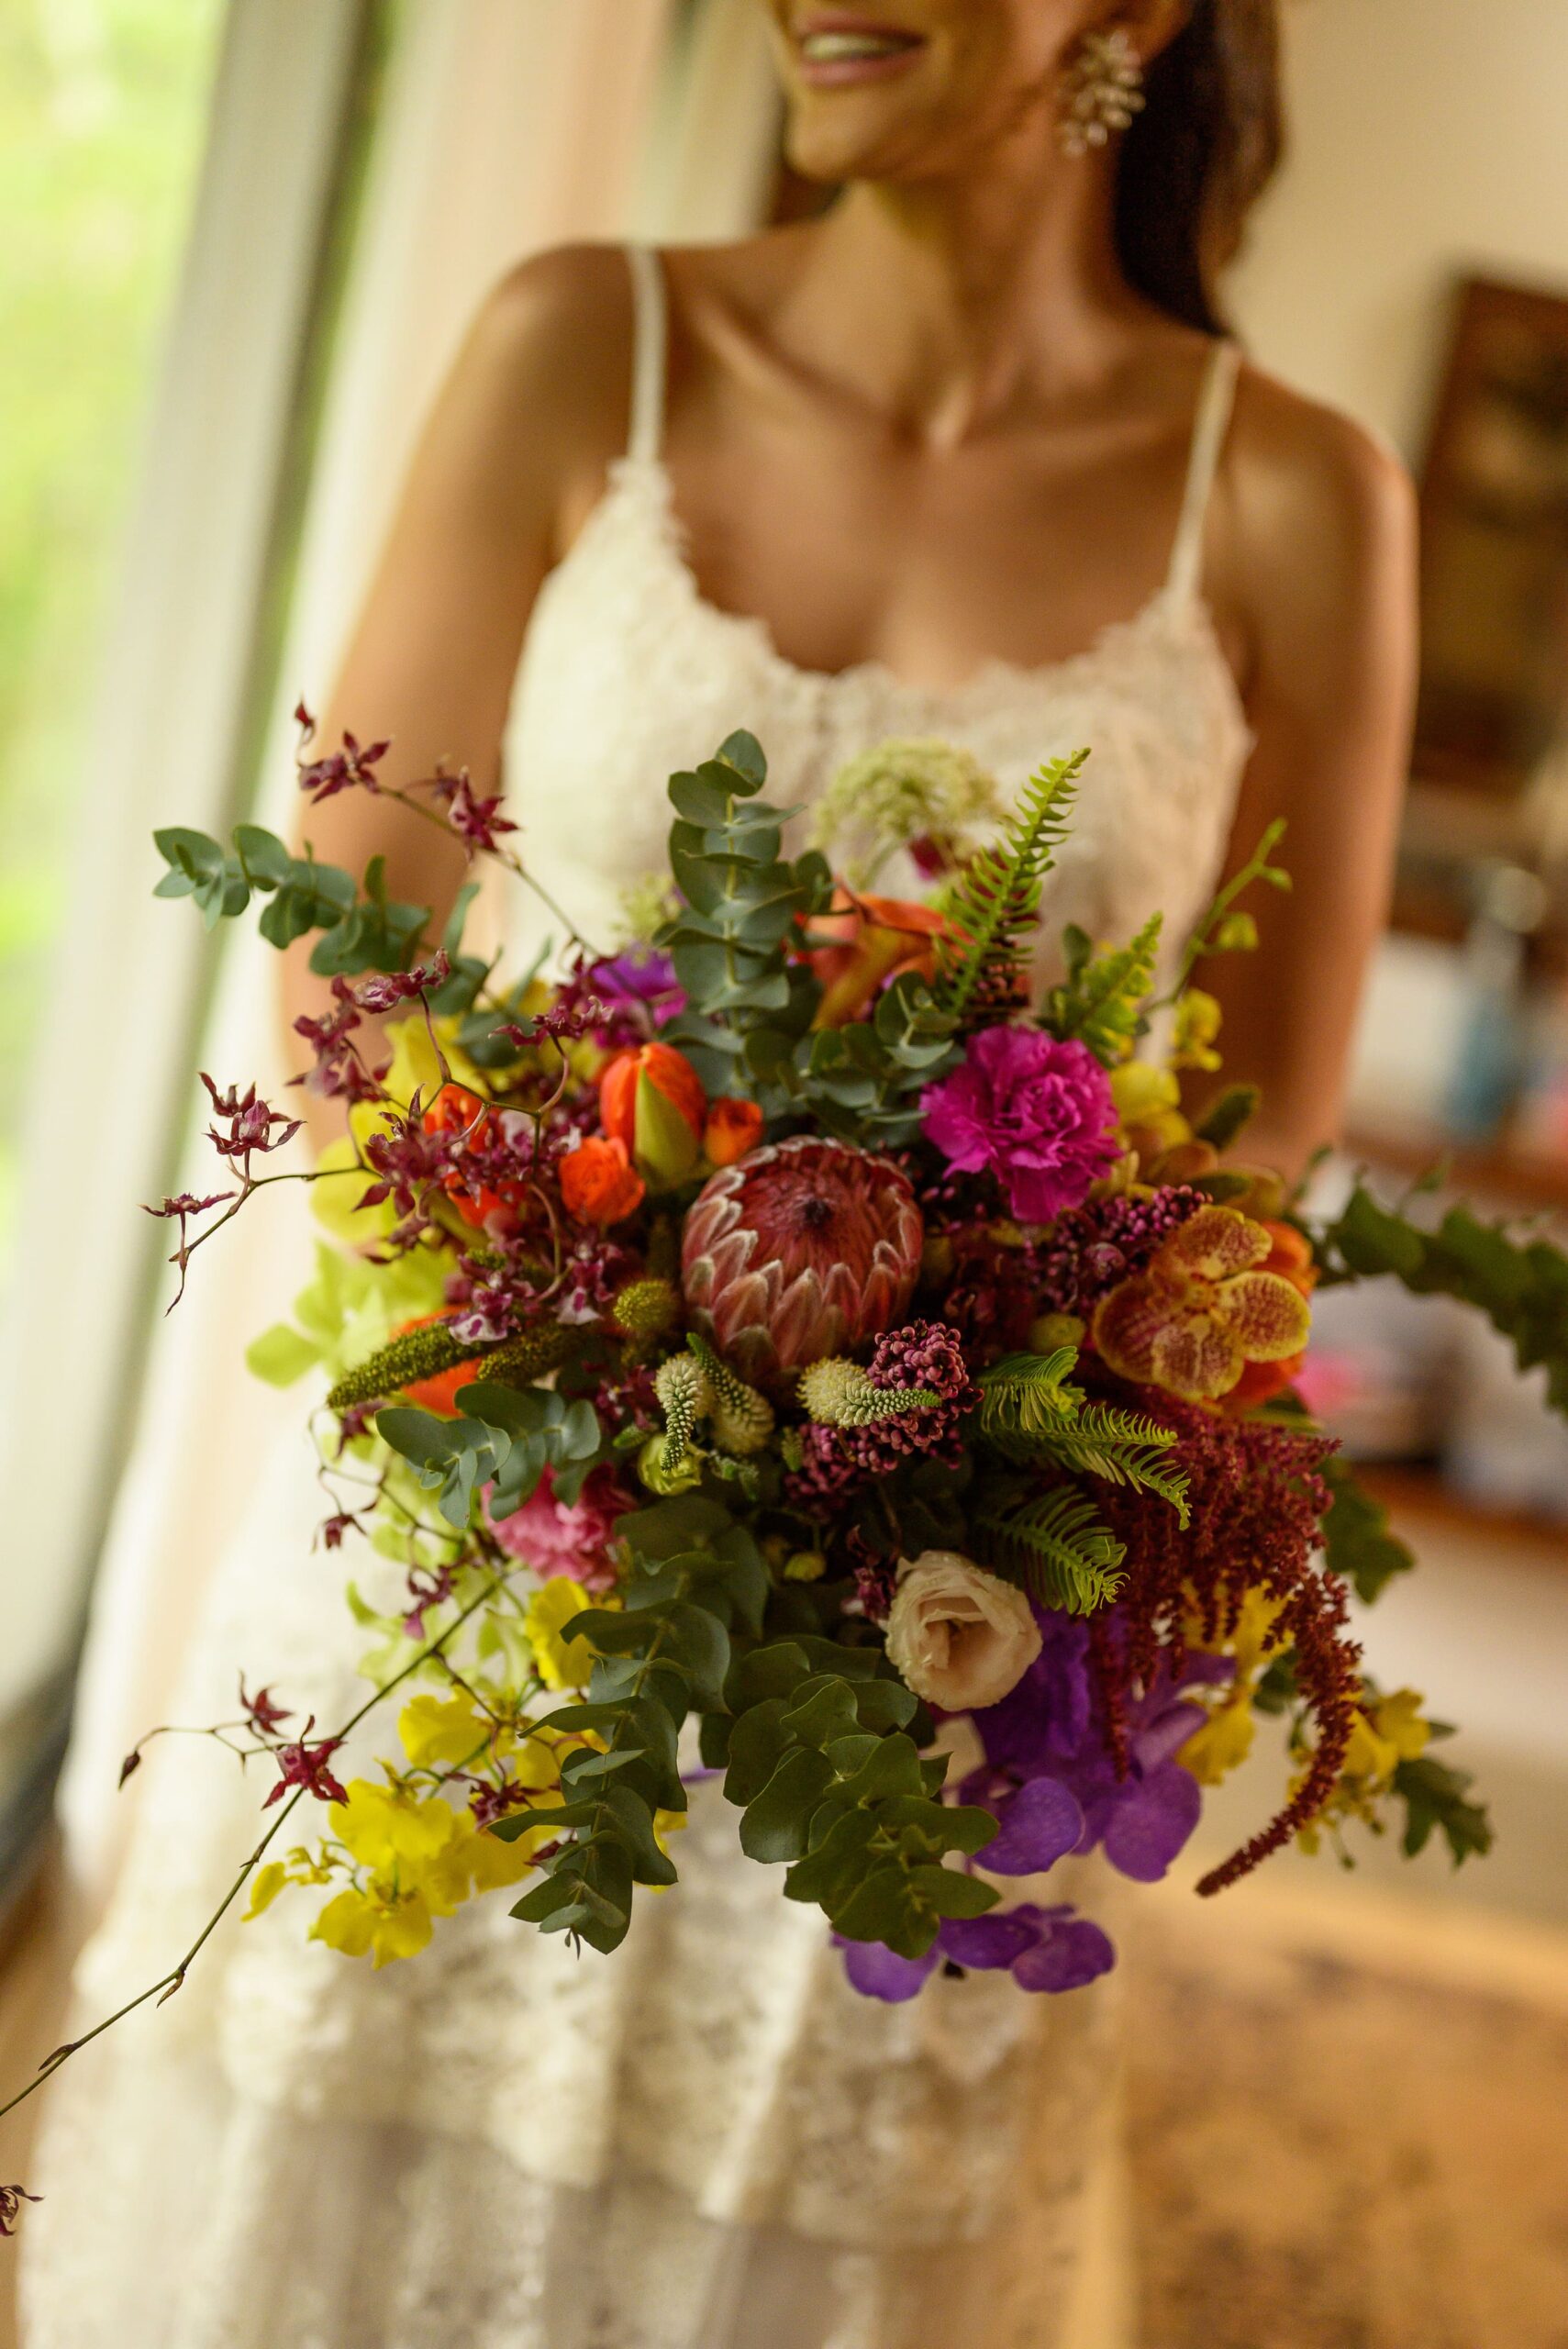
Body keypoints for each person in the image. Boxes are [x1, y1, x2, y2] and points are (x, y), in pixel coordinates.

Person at [22, 5, 1416, 2343]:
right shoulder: (587, 338)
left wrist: (975, 1392)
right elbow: (344, 952)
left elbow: (1266, 1117)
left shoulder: (1291, 498)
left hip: (931, 1674)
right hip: (474, 1572)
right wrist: (564, 1341)